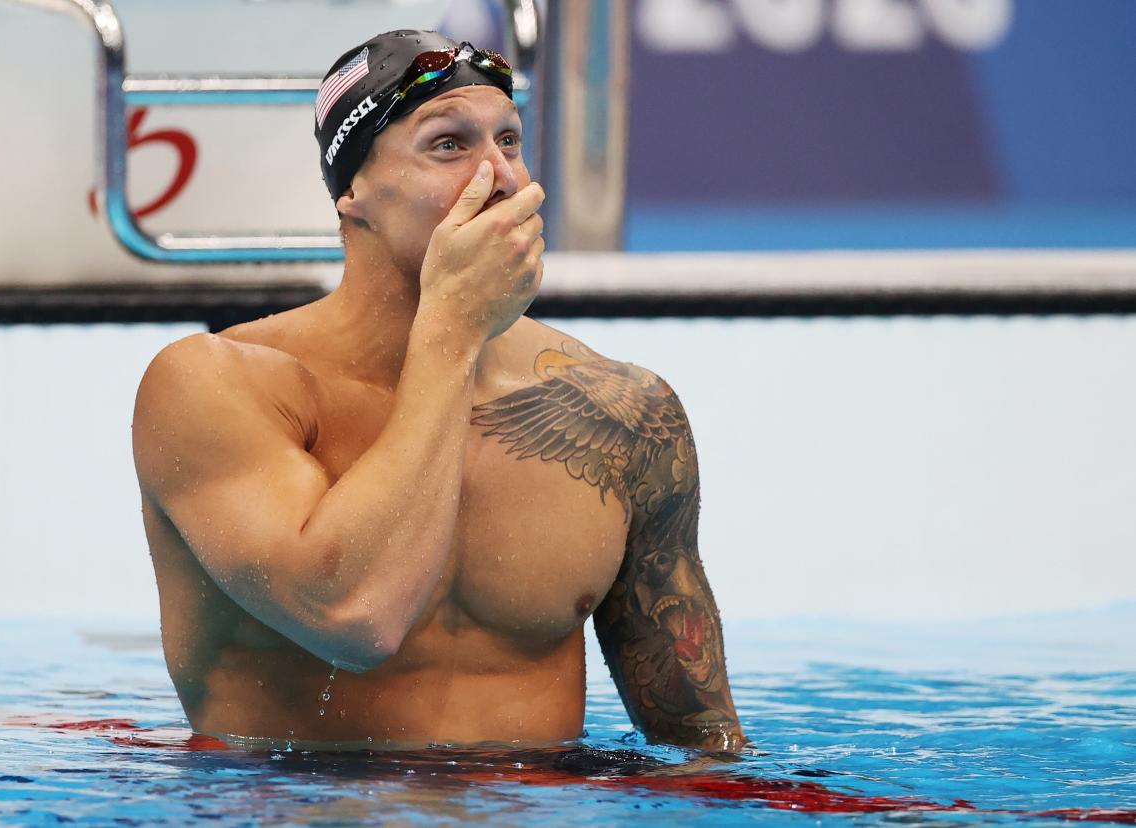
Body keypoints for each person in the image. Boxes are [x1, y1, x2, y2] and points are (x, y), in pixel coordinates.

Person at [132, 29, 743, 751]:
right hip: (292, 801)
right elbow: (356, 617)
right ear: (351, 190)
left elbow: (698, 747)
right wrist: (450, 332)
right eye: (448, 146)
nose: (503, 179)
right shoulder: (217, 384)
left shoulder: (622, 413)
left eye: (510, 143)